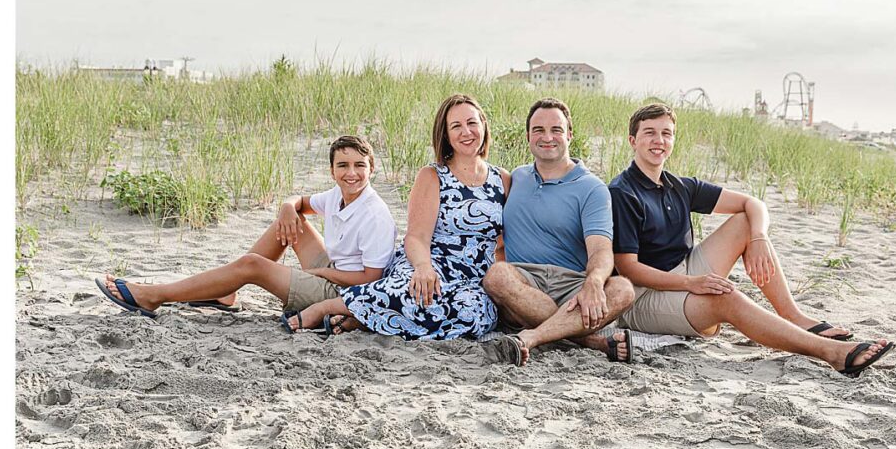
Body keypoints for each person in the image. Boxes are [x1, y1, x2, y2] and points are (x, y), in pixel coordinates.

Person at [608, 103, 895, 377]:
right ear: (633, 140)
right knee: (727, 298)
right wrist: (691, 283)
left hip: (683, 271)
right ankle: (831, 353)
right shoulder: (623, 192)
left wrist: (758, 238)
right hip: (644, 296)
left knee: (746, 221)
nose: (659, 140)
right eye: (650, 133)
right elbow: (629, 268)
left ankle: (794, 316)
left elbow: (754, 203)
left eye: (666, 133)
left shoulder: (679, 185)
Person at [96, 135, 398, 319]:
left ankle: (155, 295)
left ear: (372, 168)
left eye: (360, 165)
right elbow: (300, 203)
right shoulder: (337, 194)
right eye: (343, 166)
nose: (352, 173)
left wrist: (319, 273)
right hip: (335, 269)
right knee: (292, 221)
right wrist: (286, 207)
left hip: (345, 291)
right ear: (332, 171)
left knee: (252, 265)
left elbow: (369, 281)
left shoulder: (375, 214)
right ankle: (225, 293)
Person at [289, 93, 510, 340]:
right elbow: (416, 236)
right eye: (456, 126)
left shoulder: (502, 179)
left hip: (471, 277)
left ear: (483, 125)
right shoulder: (433, 175)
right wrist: (423, 267)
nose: (466, 132)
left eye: (472, 123)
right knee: (412, 292)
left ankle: (363, 320)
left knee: (476, 313)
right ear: (446, 135)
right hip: (427, 262)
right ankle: (328, 307)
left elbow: (503, 244)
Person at [481, 98, 636, 367]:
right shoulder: (516, 177)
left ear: (569, 135)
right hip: (524, 282)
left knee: (622, 289)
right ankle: (590, 341)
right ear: (528, 136)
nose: (547, 137)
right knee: (496, 275)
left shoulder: (592, 188)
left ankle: (532, 337)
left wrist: (594, 282)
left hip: (572, 285)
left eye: (556, 129)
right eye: (538, 130)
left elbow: (600, 249)